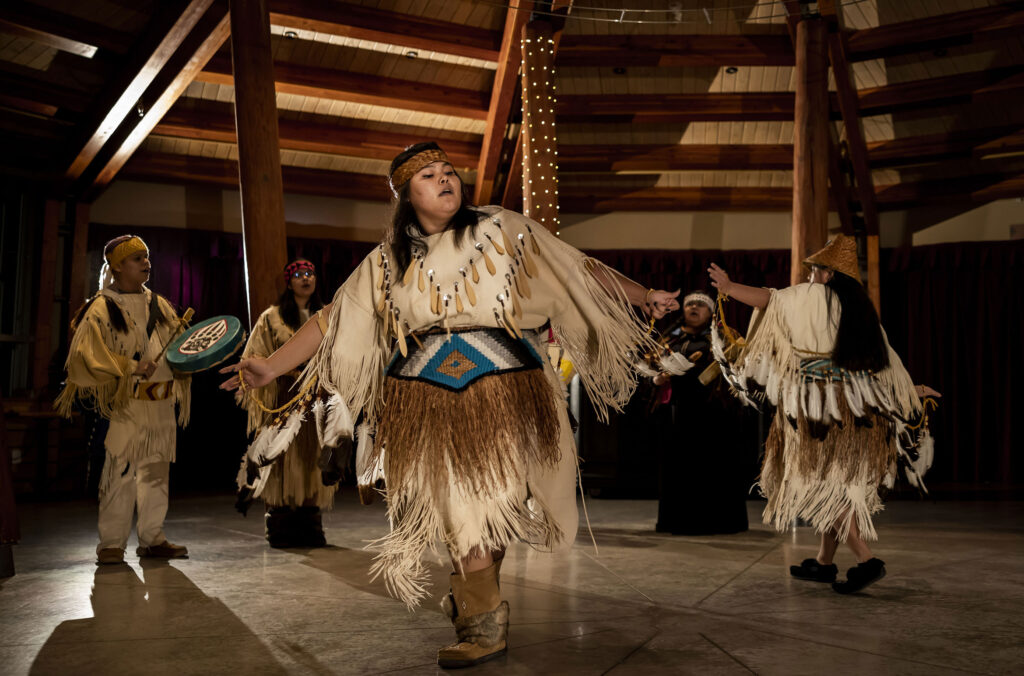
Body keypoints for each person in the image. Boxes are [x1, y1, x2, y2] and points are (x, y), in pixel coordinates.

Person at [221, 142, 679, 667]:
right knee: (461, 510)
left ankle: (473, 599)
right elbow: (334, 317)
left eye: (448, 172)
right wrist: (273, 366)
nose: (445, 181)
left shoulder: (504, 228)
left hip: (509, 389)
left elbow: (576, 270)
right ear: (405, 196)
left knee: (496, 510)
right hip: (427, 396)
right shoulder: (389, 257)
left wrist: (642, 296)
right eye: (429, 177)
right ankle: (482, 624)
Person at [707, 235, 939, 594]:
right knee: (837, 485)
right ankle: (824, 562)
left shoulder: (810, 296)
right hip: (859, 410)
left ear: (828, 274)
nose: (810, 274)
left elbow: (769, 299)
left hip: (816, 407)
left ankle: (866, 559)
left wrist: (729, 286)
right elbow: (887, 368)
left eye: (815, 268)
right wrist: (914, 391)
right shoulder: (862, 314)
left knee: (817, 483)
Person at [56, 235, 191, 565]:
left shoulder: (158, 304)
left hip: (160, 404)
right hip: (126, 405)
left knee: (156, 473)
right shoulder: (101, 308)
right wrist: (130, 366)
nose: (146, 263)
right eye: (137, 259)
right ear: (116, 266)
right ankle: (112, 544)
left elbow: (180, 349)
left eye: (147, 257)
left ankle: (152, 538)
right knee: (121, 473)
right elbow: (84, 357)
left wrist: (193, 357)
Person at [238, 259, 332, 548]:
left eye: (311, 273)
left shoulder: (326, 315)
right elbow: (255, 354)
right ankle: (279, 524)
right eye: (299, 275)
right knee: (281, 459)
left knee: (312, 460)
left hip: (316, 400)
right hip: (284, 398)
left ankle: (310, 523)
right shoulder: (272, 318)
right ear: (289, 282)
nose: (306, 279)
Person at [649, 291, 753, 535]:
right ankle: (678, 521)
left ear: (710, 312)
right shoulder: (669, 340)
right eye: (689, 304)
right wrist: (658, 379)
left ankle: (720, 521)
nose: (694, 308)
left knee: (715, 468)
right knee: (680, 468)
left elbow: (742, 372)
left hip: (716, 417)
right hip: (679, 415)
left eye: (701, 305)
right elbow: (650, 372)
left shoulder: (724, 339)